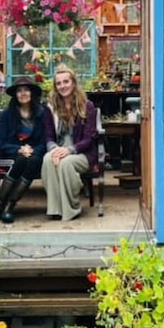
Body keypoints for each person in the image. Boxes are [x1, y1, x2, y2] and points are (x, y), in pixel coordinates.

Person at [0, 75, 48, 224]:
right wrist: (19, 149)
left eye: (26, 90)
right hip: (9, 155)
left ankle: (8, 207)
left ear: (32, 93)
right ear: (15, 94)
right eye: (19, 91)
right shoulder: (7, 114)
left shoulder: (42, 113)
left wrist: (32, 150)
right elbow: (0, 141)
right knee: (21, 159)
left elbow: (45, 140)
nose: (23, 93)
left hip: (34, 155)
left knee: (31, 161)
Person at [42, 65, 99, 221]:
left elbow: (89, 138)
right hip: (59, 149)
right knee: (47, 159)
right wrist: (54, 150)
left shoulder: (87, 106)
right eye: (59, 83)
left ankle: (71, 209)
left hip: (83, 153)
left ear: (73, 83)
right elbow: (48, 136)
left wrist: (69, 150)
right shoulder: (50, 107)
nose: (62, 86)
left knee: (66, 163)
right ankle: (55, 209)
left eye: (66, 82)